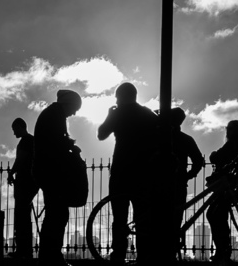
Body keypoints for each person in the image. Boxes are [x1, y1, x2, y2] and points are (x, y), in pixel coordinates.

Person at [97, 82, 159, 264]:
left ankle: (118, 255)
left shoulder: (117, 114)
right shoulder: (147, 114)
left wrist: (109, 115)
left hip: (121, 171)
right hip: (143, 172)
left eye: (117, 96)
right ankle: (144, 256)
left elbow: (101, 134)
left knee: (119, 218)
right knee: (142, 216)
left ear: (121, 97)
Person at [33, 89, 82, 266]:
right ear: (68, 104)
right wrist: (70, 147)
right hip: (51, 172)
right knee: (58, 214)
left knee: (55, 213)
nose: (75, 112)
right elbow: (54, 143)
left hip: (46, 171)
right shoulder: (55, 115)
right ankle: (52, 256)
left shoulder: (52, 114)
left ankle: (49, 255)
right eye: (75, 107)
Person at [206, 120, 238, 265]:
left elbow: (216, 157)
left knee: (216, 216)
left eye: (230, 128)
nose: (228, 131)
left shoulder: (233, 143)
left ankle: (222, 251)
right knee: (218, 216)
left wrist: (214, 154)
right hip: (232, 187)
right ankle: (222, 251)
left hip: (226, 187)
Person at [7, 117, 39, 259]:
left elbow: (21, 158)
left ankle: (23, 250)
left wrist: (11, 172)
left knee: (21, 216)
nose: (14, 133)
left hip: (25, 181)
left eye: (15, 130)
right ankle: (25, 249)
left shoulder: (26, 141)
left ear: (20, 126)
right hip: (30, 181)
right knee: (24, 215)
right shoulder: (30, 140)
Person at [170, 107, 204, 234]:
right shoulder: (186, 139)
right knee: (175, 221)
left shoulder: (157, 137)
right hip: (179, 184)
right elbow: (198, 161)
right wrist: (188, 176)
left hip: (158, 184)